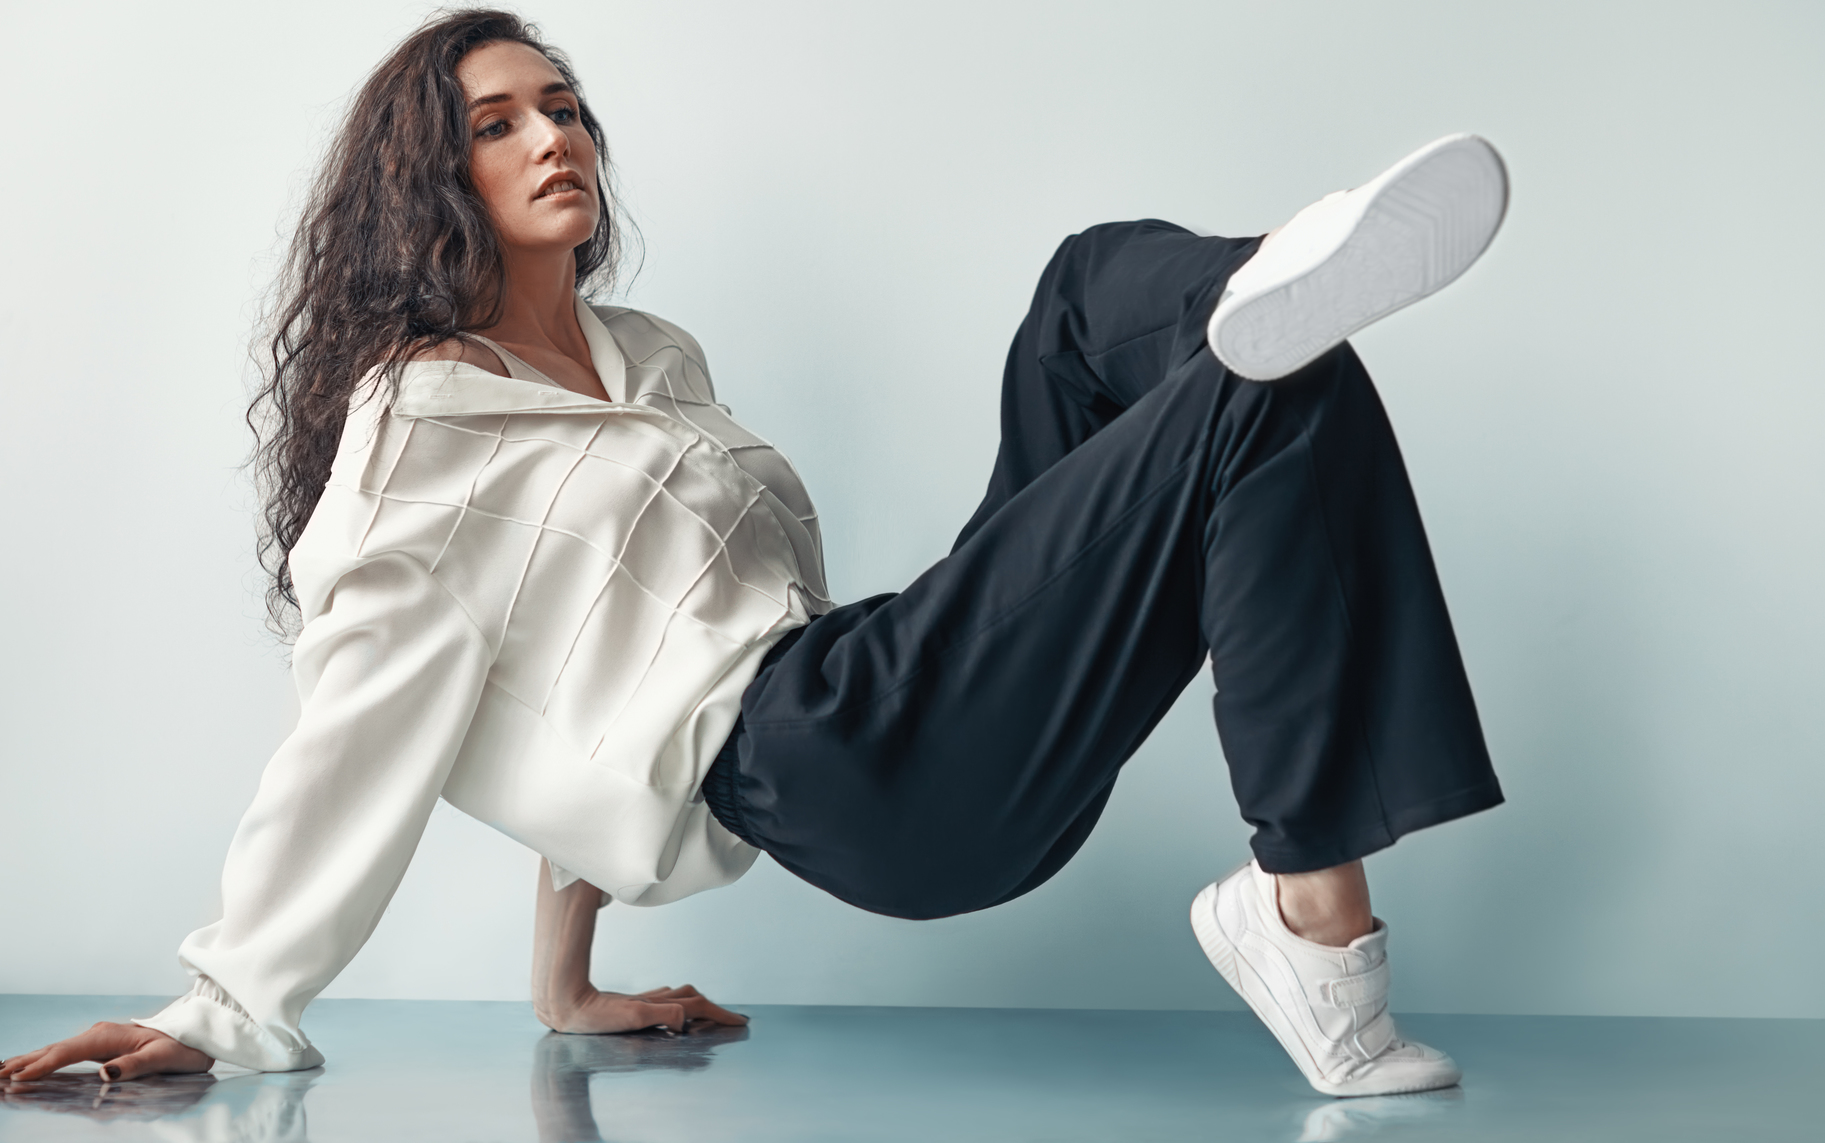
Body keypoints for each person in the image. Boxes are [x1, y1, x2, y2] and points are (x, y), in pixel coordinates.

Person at [0, 8, 1507, 1100]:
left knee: (1089, 297)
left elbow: (590, 649)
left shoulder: (646, 354)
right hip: (845, 758)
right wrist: (226, 1000)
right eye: (499, 122)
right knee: (1261, 394)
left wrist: (563, 988)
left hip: (877, 674)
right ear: (429, 182)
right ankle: (1312, 924)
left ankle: (1267, 277)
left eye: (566, 106)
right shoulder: (417, 426)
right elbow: (368, 713)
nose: (554, 137)